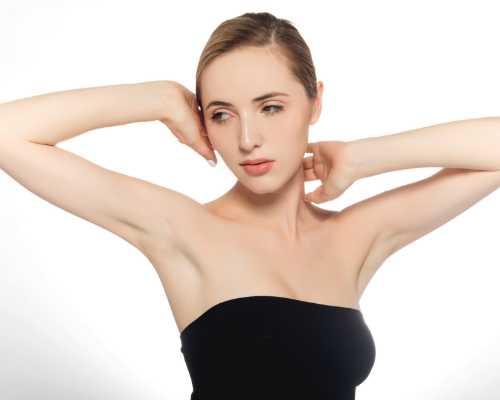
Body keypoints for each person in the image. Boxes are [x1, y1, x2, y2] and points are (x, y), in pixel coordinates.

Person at [5, 11, 499, 400]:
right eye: (222, 114)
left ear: (315, 102)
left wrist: (367, 157)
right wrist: (154, 99)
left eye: (271, 107)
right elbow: (9, 135)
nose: (246, 139)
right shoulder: (184, 227)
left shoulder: (353, 235)